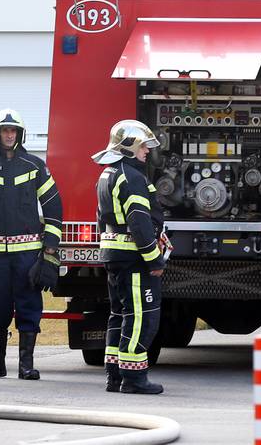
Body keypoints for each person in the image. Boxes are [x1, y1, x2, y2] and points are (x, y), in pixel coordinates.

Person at [0, 108, 63, 380]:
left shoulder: (34, 166)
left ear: (20, 134)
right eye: (4, 131)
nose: (8, 135)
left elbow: (53, 204)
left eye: (13, 131)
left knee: (28, 307)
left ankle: (26, 365)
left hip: (28, 255)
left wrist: (51, 245)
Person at [92, 120, 166, 394]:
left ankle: (114, 375)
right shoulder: (132, 177)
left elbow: (101, 218)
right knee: (141, 316)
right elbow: (139, 221)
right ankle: (134, 378)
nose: (147, 150)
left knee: (119, 314)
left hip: (114, 254)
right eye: (144, 145)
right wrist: (154, 259)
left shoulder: (107, 173)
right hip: (134, 258)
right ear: (131, 146)